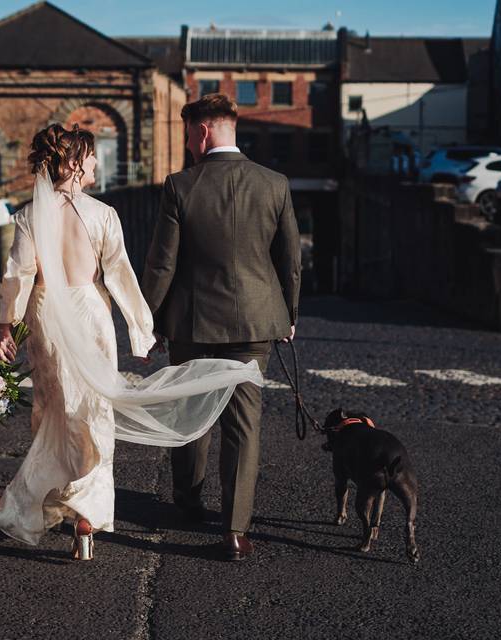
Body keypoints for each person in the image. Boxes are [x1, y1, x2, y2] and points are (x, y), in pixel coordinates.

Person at [0, 123, 263, 560]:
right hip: (90, 314)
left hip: (46, 316)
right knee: (93, 413)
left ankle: (54, 499)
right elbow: (120, 273)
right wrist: (142, 329)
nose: (99, 163)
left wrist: (8, 327)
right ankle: (86, 514)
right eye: (94, 156)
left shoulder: (27, 216)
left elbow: (18, 276)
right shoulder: (103, 215)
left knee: (55, 410)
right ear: (77, 163)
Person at [142, 94, 301, 561]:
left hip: (193, 324)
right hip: (256, 322)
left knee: (191, 413)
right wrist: (288, 315)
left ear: (203, 131)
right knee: (244, 425)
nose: (189, 144)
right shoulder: (275, 184)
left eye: (189, 134)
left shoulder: (180, 186)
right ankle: (235, 530)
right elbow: (290, 260)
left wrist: (147, 322)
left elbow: (161, 265)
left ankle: (188, 502)